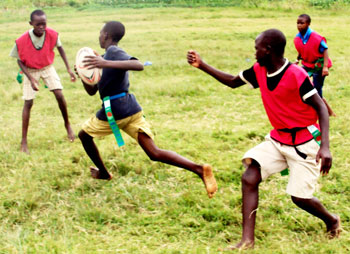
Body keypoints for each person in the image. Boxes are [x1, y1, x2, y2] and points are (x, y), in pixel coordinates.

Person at [187, 29, 341, 250]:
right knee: (249, 177)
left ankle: (331, 219)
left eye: (256, 47)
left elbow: (321, 108)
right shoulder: (260, 69)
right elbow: (232, 81)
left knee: (299, 198)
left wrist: (325, 147)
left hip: (305, 143)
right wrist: (202, 65)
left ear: (268, 50)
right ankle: (247, 240)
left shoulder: (296, 74)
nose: (254, 51)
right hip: (278, 139)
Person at [77, 21, 217, 198]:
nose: (99, 36)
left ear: (106, 35)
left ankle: (104, 173)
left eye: (100, 32)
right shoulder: (105, 59)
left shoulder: (113, 52)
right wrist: (83, 75)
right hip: (130, 109)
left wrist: (104, 62)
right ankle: (198, 169)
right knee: (154, 153)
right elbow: (92, 91)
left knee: (84, 136)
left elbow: (138, 65)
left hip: (115, 110)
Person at [10, 9, 76, 153]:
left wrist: (69, 69)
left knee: (59, 95)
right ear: (31, 24)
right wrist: (31, 78)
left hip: (47, 67)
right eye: (38, 24)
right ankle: (24, 141)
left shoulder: (52, 34)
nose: (41, 27)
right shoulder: (22, 40)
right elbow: (19, 61)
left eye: (44, 24)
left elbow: (61, 49)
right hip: (30, 70)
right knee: (28, 102)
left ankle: (68, 126)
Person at [294, 14, 335, 116]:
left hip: (319, 65)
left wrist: (325, 67)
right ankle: (308, 106)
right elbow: (302, 49)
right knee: (300, 80)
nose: (299, 25)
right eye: (298, 23)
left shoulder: (316, 37)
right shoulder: (298, 37)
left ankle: (323, 111)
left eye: (302, 23)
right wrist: (297, 59)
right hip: (307, 64)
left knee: (317, 88)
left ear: (308, 24)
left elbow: (325, 50)